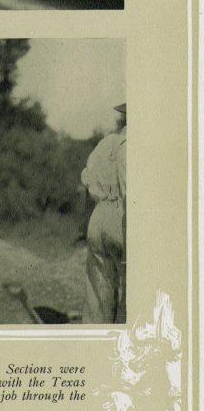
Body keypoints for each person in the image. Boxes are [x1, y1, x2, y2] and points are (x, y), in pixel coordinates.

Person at [81, 102, 127, 323]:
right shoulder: (137, 145)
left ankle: (93, 349)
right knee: (132, 300)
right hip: (123, 216)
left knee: (97, 300)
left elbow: (87, 181)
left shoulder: (105, 143)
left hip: (98, 216)